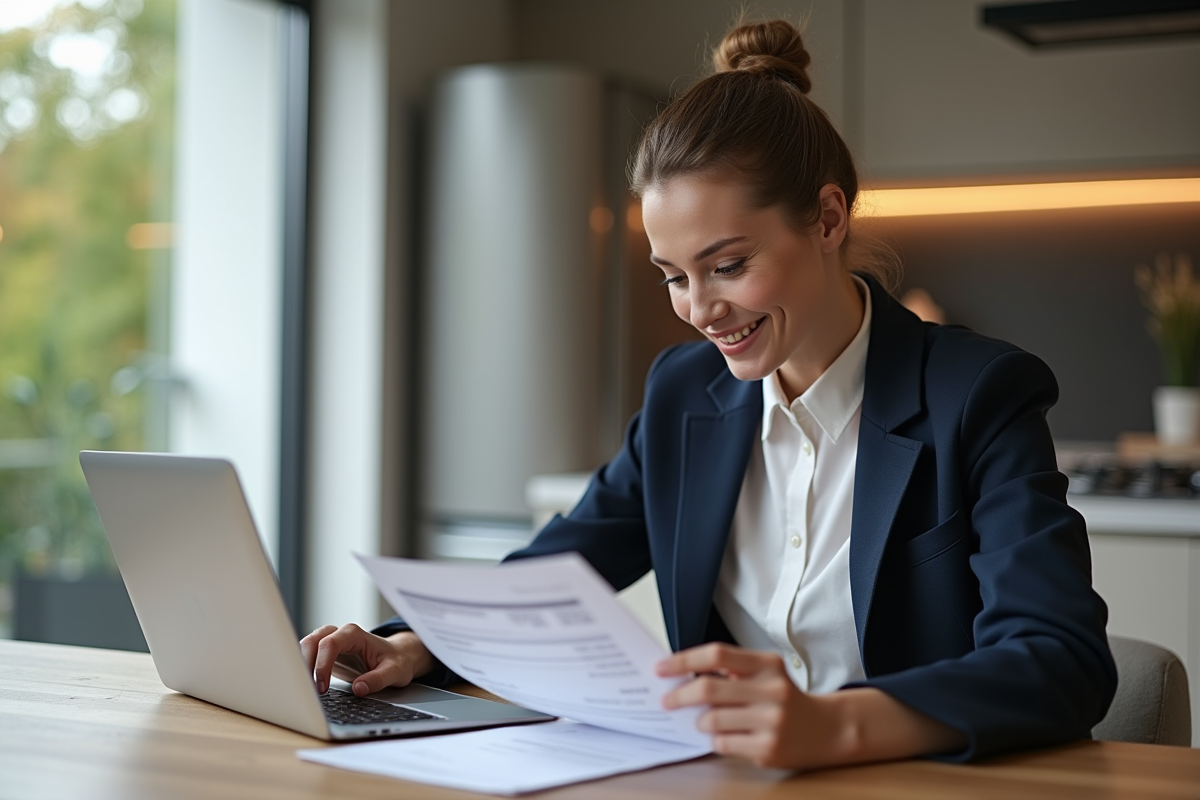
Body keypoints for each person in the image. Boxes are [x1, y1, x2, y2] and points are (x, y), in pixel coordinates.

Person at [301, 18, 1116, 771]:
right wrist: (415, 644)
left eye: (727, 266)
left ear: (827, 218)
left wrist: (836, 724)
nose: (699, 310)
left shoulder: (976, 394)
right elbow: (556, 572)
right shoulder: (682, 395)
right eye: (673, 277)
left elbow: (1059, 659)